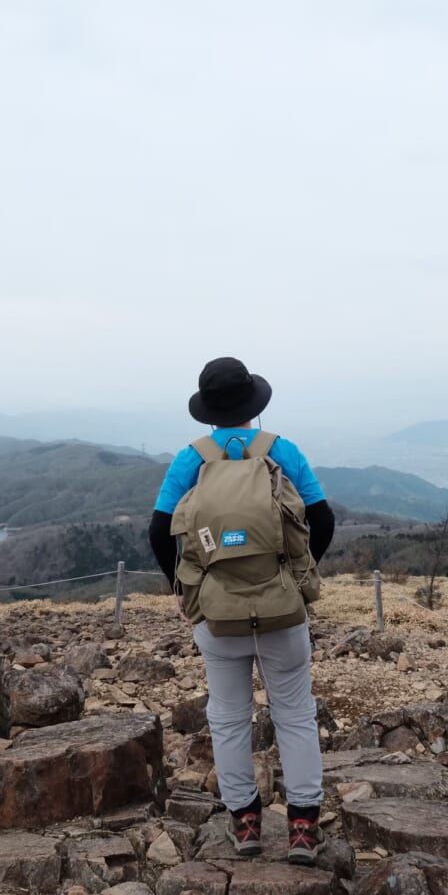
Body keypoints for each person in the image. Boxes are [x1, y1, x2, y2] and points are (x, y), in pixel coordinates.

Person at [149, 357, 335, 865]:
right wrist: (297, 578)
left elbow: (158, 531)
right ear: (254, 404)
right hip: (282, 610)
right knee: (295, 714)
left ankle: (246, 825)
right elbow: (321, 518)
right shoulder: (282, 451)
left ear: (208, 411)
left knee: (229, 719)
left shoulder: (191, 459)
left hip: (217, 613)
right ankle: (302, 831)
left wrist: (187, 595)